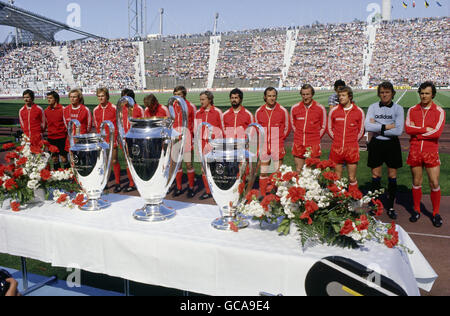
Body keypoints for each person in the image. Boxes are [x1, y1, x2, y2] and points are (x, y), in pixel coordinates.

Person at [405, 81, 445, 227]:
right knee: (416, 182)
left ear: (432, 94)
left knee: (434, 182)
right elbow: (408, 129)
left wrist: (418, 132)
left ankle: (435, 213)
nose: (424, 96)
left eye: (427, 93)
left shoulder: (439, 111)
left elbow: (437, 132)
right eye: (422, 93)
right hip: (415, 151)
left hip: (431, 151)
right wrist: (424, 129)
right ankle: (416, 210)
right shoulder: (412, 110)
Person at [365, 82, 405, 219]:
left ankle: (391, 206)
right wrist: (388, 127)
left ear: (392, 93)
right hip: (376, 143)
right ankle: (375, 205)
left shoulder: (398, 109)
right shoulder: (372, 107)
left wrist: (378, 126)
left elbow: (399, 130)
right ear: (379, 93)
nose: (384, 94)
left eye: (387, 92)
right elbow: (367, 126)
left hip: (392, 144)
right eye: (382, 92)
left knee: (392, 176)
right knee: (376, 176)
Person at [327, 86, 365, 192]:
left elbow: (361, 130)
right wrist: (337, 139)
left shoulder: (359, 111)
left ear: (350, 96)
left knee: (352, 178)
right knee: (337, 177)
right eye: (339, 95)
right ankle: (337, 200)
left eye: (343, 95)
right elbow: (329, 128)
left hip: (351, 149)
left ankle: (353, 200)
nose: (341, 98)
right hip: (337, 148)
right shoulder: (334, 111)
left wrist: (352, 141)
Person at [255, 87, 291, 196]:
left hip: (277, 144)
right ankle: (263, 194)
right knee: (263, 171)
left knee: (277, 172)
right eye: (269, 96)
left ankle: (276, 195)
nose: (272, 98)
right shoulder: (259, 111)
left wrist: (279, 138)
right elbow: (257, 128)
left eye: (274, 96)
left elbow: (287, 128)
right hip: (264, 145)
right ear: (265, 97)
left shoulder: (282, 110)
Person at [194, 91, 224, 200]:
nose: (201, 102)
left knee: (217, 168)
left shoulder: (217, 112)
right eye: (200, 99)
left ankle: (219, 189)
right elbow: (196, 130)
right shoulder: (198, 113)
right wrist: (197, 146)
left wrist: (219, 144)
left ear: (209, 100)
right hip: (202, 144)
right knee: (204, 169)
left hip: (215, 144)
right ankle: (208, 191)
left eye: (203, 99)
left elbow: (222, 129)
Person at [290, 84, 327, 172]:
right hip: (298, 143)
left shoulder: (320, 108)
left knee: (313, 171)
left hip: (313, 144)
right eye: (303, 94)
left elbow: (323, 126)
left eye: (308, 94)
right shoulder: (295, 108)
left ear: (312, 94)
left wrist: (315, 137)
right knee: (299, 170)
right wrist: (300, 135)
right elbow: (293, 125)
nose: (305, 97)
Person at [93, 88, 121, 193]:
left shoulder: (114, 108)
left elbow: (118, 122)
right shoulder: (96, 110)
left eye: (102, 96)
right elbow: (96, 125)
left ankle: (117, 182)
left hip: (112, 138)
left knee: (114, 160)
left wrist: (115, 137)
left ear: (107, 96)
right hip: (102, 140)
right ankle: (105, 182)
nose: (100, 98)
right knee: (103, 162)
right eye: (99, 96)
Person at [173, 86, 197, 198]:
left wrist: (193, 137)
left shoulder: (191, 106)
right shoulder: (172, 106)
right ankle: (178, 187)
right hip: (176, 139)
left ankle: (191, 187)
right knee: (177, 165)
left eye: (180, 94)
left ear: (184, 95)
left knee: (188, 164)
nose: (177, 96)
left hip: (187, 138)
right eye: (175, 94)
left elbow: (196, 123)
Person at [120, 89, 145, 193]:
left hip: (137, 139)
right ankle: (131, 183)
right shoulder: (122, 109)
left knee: (139, 162)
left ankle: (142, 182)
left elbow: (143, 124)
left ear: (131, 98)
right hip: (125, 139)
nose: (123, 100)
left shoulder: (138, 109)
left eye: (125, 98)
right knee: (128, 162)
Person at [45, 91, 69, 170]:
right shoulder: (46, 111)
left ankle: (68, 175)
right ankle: (57, 175)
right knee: (54, 158)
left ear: (56, 99)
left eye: (50, 98)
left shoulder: (63, 109)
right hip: (51, 138)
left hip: (61, 137)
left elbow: (67, 123)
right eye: (48, 98)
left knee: (63, 158)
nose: (48, 100)